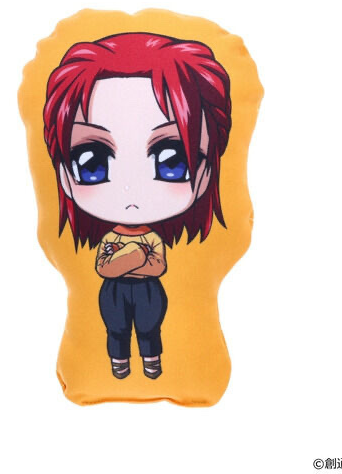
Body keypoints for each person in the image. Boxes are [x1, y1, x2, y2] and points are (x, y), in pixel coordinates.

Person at [42, 33, 232, 379]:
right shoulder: (129, 241)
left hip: (148, 293)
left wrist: (126, 260)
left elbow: (154, 266)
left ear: (206, 174)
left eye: (172, 160)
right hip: (114, 294)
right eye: (92, 161)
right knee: (116, 329)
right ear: (64, 176)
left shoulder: (139, 241)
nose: (130, 190)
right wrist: (136, 258)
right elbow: (108, 268)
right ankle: (119, 365)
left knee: (149, 328)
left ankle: (151, 363)